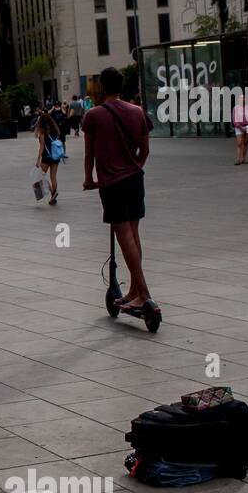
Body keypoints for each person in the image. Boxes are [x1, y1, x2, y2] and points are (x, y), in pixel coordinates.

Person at [83, 67, 155, 312]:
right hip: (135, 179)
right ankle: (134, 290)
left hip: (112, 183)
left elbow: (89, 153)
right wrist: (136, 166)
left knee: (123, 235)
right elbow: (145, 150)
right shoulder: (138, 112)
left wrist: (88, 179)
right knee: (133, 234)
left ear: (103, 86)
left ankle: (143, 293)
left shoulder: (93, 115)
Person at [35, 112, 64, 206]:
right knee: (53, 177)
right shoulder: (55, 130)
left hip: (46, 157)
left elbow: (42, 147)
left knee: (41, 175)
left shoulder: (43, 132)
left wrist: (38, 160)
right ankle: (53, 195)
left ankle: (52, 192)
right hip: (56, 157)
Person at [231, 92, 248, 165]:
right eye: (241, 98)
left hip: (247, 126)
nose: (243, 100)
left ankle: (243, 159)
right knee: (239, 143)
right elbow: (234, 120)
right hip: (239, 127)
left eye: (244, 98)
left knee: (246, 143)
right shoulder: (235, 108)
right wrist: (240, 127)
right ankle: (238, 159)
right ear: (238, 100)